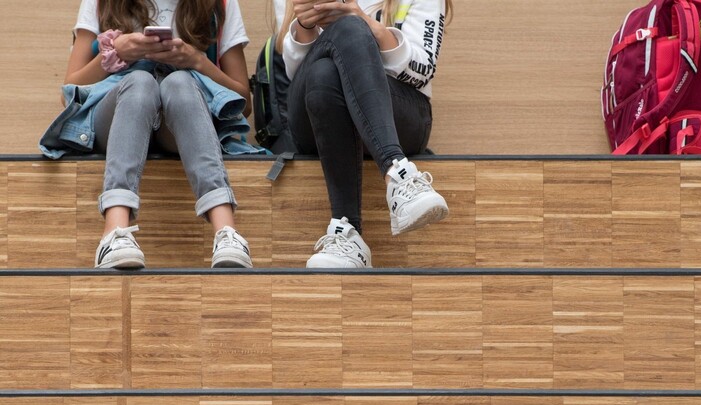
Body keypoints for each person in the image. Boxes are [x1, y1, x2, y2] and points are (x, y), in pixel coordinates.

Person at [44, 0, 255, 269]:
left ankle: (227, 233)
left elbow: (243, 103)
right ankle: (113, 233)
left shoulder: (220, 4)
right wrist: (116, 52)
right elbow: (70, 89)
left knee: (180, 81)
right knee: (140, 82)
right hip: (118, 115)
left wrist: (196, 62)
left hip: (177, 123)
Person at [276, 0, 453, 268]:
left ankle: (346, 231)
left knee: (349, 29)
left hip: (402, 112)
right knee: (325, 68)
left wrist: (369, 26)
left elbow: (423, 69)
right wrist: (304, 26)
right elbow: (293, 72)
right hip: (314, 117)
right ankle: (399, 175)